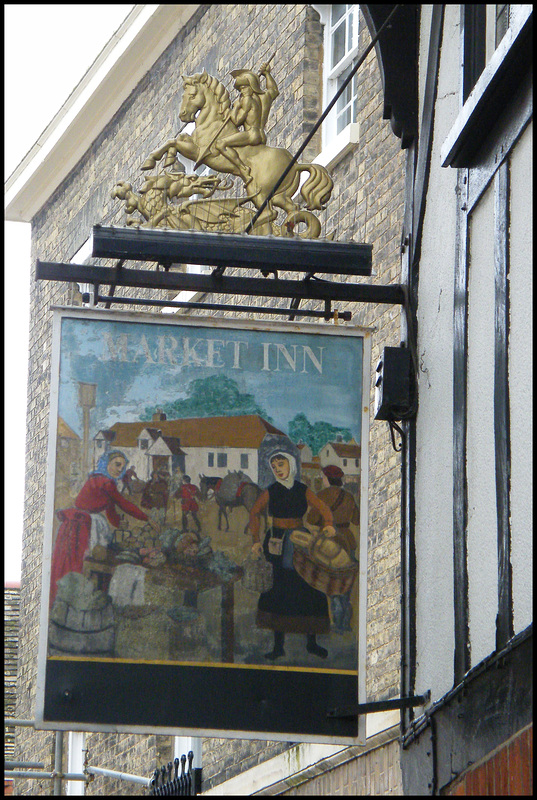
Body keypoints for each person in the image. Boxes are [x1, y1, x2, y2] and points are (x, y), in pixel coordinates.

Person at [249, 447, 336, 660]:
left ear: (291, 465)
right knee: (278, 589)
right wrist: (256, 540)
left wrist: (329, 524)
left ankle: (311, 643)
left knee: (308, 587)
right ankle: (278, 646)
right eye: (274, 466)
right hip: (276, 541)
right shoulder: (271, 490)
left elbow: (323, 508)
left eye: (282, 464)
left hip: (300, 540)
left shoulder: (302, 489)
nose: (278, 469)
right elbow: (254, 512)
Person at [49, 450, 158, 606]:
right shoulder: (104, 482)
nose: (120, 469)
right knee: (81, 562)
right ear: (106, 464)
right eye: (117, 464)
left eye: (123, 465)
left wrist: (119, 524)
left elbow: (111, 509)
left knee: (86, 561)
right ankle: (76, 601)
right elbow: (122, 503)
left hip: (87, 523)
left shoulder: (103, 482)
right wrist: (146, 518)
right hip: (81, 526)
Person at [307, 465, 360, 633]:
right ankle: (346, 622)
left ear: (328, 478)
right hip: (347, 541)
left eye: (323, 477)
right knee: (346, 582)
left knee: (333, 584)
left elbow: (312, 518)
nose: (322, 480)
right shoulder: (349, 497)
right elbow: (357, 520)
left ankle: (338, 624)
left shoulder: (322, 495)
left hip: (329, 543)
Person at [213, 63, 279, 187]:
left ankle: (243, 169)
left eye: (243, 88)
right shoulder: (264, 98)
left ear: (251, 86)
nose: (241, 91)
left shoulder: (247, 101)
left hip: (251, 134)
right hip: (260, 134)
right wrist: (267, 74)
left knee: (220, 144)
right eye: (240, 89)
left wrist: (234, 108)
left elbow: (237, 121)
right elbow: (273, 91)